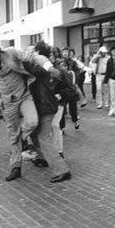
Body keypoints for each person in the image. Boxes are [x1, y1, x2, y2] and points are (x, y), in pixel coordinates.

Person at [0, 42, 62, 181]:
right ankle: (15, 167)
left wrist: (50, 67)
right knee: (13, 135)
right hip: (8, 102)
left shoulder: (11, 53)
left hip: (24, 96)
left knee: (32, 122)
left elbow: (35, 57)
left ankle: (23, 138)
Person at [27, 42, 71, 183]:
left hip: (45, 107)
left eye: (34, 52)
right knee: (35, 135)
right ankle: (43, 158)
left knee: (43, 137)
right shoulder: (46, 69)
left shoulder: (42, 69)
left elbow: (71, 89)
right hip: (43, 107)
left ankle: (62, 169)